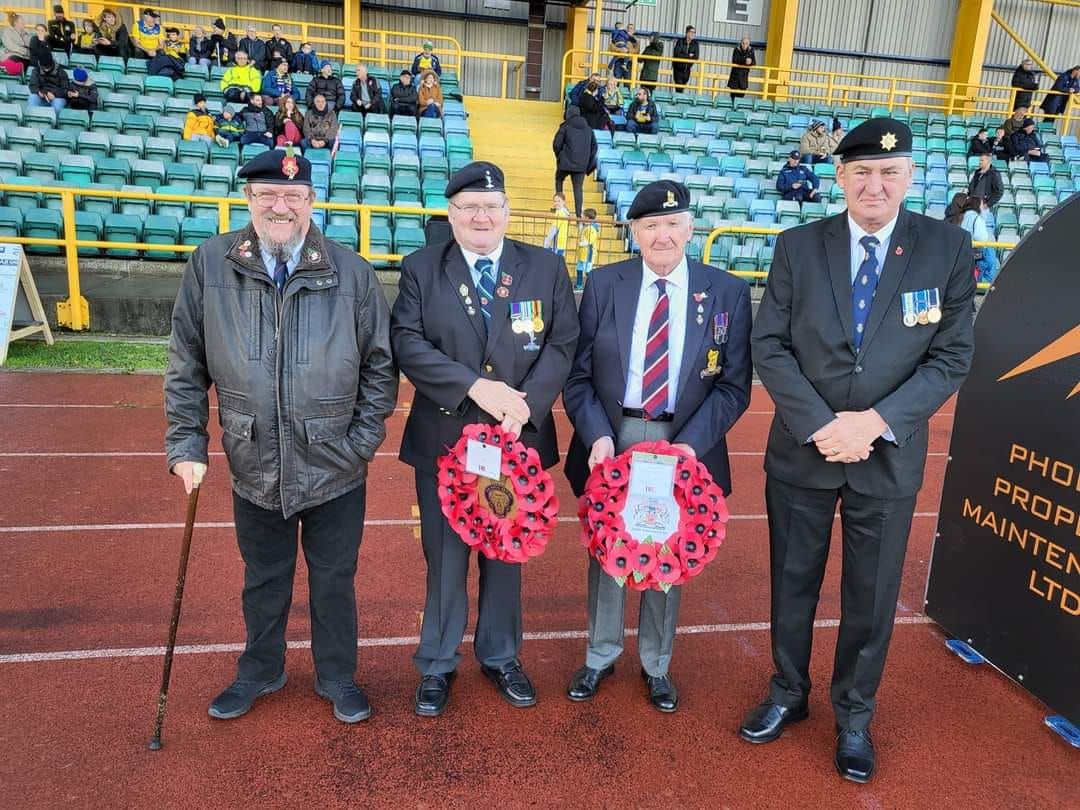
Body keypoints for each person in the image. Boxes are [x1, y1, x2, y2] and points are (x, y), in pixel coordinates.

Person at [742, 118, 976, 784]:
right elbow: (771, 345)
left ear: (910, 177)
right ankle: (788, 691)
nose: (876, 184)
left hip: (887, 451)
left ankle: (854, 717)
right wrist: (822, 423)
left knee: (871, 596)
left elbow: (952, 354)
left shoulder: (949, 248)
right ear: (839, 176)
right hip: (804, 447)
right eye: (862, 171)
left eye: (890, 171)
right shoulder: (796, 246)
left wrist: (872, 422)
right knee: (793, 581)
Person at [165, 148, 398, 726]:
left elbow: (380, 368)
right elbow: (185, 363)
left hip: (336, 463)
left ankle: (338, 675)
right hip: (254, 457)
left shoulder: (352, 271)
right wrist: (186, 446)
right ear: (248, 198)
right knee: (263, 578)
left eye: (293, 196)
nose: (280, 205)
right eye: (267, 194)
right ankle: (260, 669)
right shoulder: (212, 263)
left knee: (334, 579)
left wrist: (359, 444)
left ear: (312, 202)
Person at [390, 161, 578, 718]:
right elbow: (406, 340)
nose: (481, 216)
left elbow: (563, 343)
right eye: (469, 207)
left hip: (517, 435)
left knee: (507, 552)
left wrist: (524, 404)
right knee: (445, 557)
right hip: (446, 434)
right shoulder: (423, 267)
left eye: (491, 207)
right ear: (451, 214)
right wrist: (476, 386)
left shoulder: (544, 267)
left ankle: (500, 655)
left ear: (506, 213)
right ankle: (438, 662)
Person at [562, 179, 753, 712]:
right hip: (614, 432)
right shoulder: (603, 285)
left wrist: (691, 447)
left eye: (672, 224)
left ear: (690, 227)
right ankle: (599, 656)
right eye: (650, 226)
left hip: (683, 438)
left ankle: (656, 664)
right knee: (607, 549)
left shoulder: (728, 292)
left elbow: (734, 386)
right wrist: (597, 435)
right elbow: (577, 378)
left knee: (669, 547)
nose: (662, 235)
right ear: (634, 232)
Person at [553, 105, 598, 219]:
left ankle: (559, 206)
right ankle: (578, 215)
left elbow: (556, 144)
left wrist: (560, 156)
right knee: (578, 188)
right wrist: (587, 162)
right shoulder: (588, 129)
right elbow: (594, 148)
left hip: (565, 162)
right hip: (581, 165)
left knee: (559, 179)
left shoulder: (565, 127)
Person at [950, 193, 999, 284]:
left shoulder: (960, 216)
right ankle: (988, 282)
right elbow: (982, 239)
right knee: (990, 251)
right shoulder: (977, 218)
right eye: (981, 205)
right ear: (977, 206)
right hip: (974, 252)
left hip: (960, 250)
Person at [575, 208, 599, 291]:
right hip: (583, 253)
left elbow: (590, 240)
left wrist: (582, 243)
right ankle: (579, 284)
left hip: (588, 254)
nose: (582, 218)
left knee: (587, 271)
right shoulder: (587, 227)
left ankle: (593, 286)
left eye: (583, 216)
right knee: (579, 268)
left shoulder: (592, 228)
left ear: (587, 218)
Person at [671, 25, 699, 93]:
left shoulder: (695, 44)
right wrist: (689, 55)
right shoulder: (680, 42)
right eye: (691, 32)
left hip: (687, 70)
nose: (693, 34)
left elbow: (696, 56)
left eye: (694, 32)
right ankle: (678, 101)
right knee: (679, 89)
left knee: (682, 88)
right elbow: (677, 54)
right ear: (687, 33)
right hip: (678, 69)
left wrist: (685, 56)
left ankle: (679, 101)